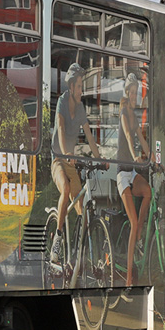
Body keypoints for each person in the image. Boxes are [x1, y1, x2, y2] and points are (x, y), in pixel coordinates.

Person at [50, 63, 95, 267]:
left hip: (71, 161)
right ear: (71, 87)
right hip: (59, 159)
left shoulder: (80, 108)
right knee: (66, 189)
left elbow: (89, 135)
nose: (81, 90)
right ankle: (58, 240)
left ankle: (79, 252)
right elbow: (60, 127)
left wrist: (101, 158)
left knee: (82, 205)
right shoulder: (62, 102)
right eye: (79, 86)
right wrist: (65, 152)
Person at [117, 67, 152, 286]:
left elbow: (140, 137)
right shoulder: (123, 112)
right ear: (126, 92)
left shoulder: (135, 114)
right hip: (122, 173)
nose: (134, 95)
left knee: (148, 192)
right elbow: (130, 138)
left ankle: (139, 235)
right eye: (131, 91)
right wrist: (135, 158)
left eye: (136, 91)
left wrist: (153, 158)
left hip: (132, 173)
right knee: (132, 220)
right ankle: (129, 277)